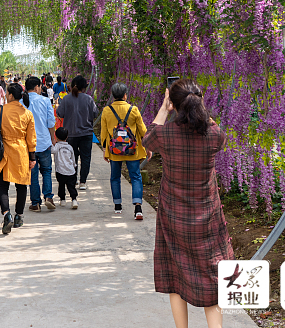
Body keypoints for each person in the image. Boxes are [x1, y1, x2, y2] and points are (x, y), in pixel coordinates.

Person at [144, 80, 232, 328]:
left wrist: (164, 108)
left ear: (174, 104)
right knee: (212, 279)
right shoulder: (214, 135)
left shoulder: (165, 134)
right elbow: (213, 127)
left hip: (174, 217)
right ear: (199, 102)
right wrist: (199, 106)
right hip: (207, 220)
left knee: (175, 277)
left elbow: (147, 140)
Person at [0, 83, 36, 234]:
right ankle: (19, 216)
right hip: (21, 152)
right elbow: (31, 139)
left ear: (10, 95)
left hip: (3, 152)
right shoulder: (27, 114)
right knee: (21, 185)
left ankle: (6, 214)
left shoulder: (1, 110)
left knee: (2, 185)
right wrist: (32, 157)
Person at [99, 82, 148, 219]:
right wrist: (148, 145)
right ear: (125, 95)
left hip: (115, 150)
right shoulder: (134, 110)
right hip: (132, 150)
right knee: (136, 177)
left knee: (115, 177)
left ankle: (118, 206)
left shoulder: (107, 110)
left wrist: (105, 150)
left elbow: (104, 133)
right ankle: (138, 207)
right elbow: (143, 130)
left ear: (113, 96)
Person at [55, 75, 98, 191]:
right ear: (84, 87)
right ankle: (83, 181)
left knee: (71, 158)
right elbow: (95, 113)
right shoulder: (89, 99)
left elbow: (60, 113)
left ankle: (73, 180)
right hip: (86, 134)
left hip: (71, 134)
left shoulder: (66, 99)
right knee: (86, 158)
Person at [24, 76, 57, 212]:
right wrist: (53, 137)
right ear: (37, 87)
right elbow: (51, 122)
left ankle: (35, 203)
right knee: (47, 170)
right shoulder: (45, 101)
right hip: (44, 141)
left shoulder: (21, 102)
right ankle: (48, 196)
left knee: (33, 173)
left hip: (28, 144)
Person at [52, 127, 78, 208]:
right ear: (67, 137)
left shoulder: (57, 146)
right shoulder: (70, 147)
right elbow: (73, 158)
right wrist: (74, 166)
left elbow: (52, 150)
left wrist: (50, 142)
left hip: (60, 170)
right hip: (71, 170)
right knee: (71, 186)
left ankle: (62, 199)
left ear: (56, 136)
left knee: (61, 185)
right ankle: (74, 200)